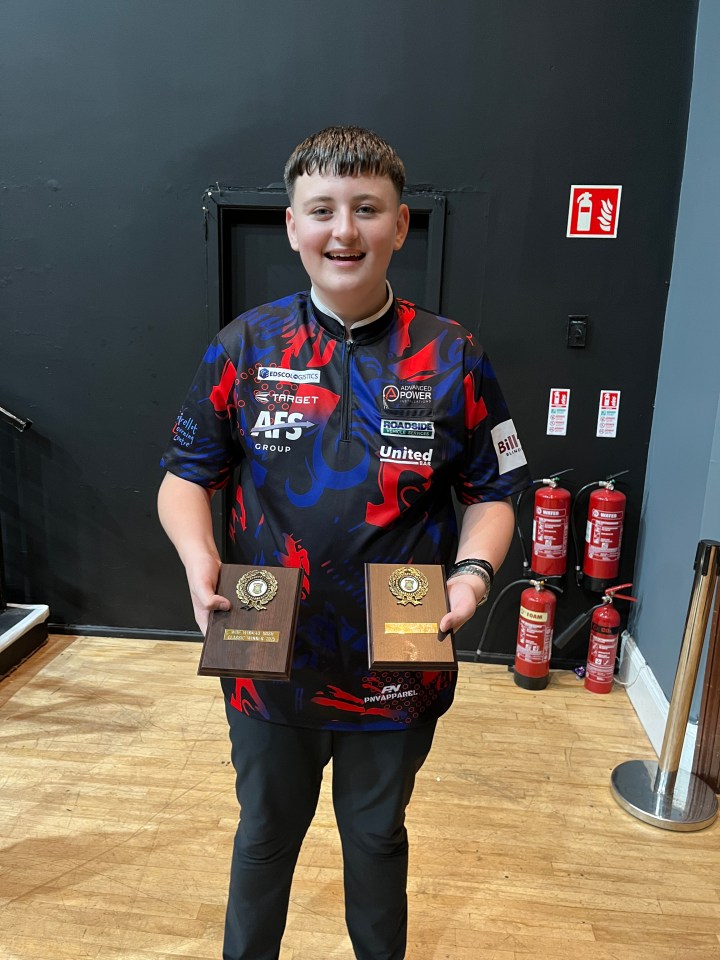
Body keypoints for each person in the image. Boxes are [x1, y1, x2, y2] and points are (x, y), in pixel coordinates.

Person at [158, 125, 531, 960]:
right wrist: (197, 559)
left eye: (367, 209)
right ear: (292, 226)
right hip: (265, 644)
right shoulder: (245, 347)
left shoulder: (453, 355)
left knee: (375, 841)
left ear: (401, 225)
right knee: (262, 840)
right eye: (322, 209)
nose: (344, 230)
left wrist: (472, 576)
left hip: (398, 654)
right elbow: (185, 475)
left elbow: (495, 489)